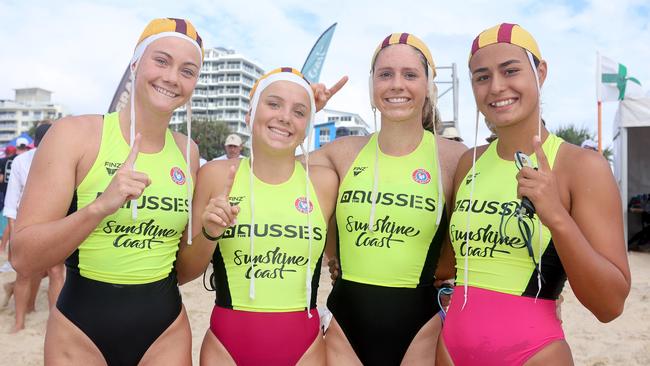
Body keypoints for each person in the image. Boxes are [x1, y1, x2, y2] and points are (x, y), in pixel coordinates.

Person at [9, 18, 204, 364]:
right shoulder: (76, 135)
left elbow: (181, 267)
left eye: (187, 70)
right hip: (81, 329)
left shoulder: (188, 152)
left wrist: (210, 231)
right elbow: (23, 257)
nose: (172, 77)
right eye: (161, 61)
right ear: (135, 64)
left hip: (165, 330)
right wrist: (100, 207)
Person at [437, 23, 631, 365]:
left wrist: (556, 215)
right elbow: (449, 265)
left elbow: (610, 305)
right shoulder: (470, 163)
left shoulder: (581, 166)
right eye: (481, 77)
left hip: (533, 352)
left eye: (510, 70)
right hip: (451, 350)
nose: (496, 87)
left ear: (540, 72)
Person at [309, 33, 466, 365]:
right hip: (345, 324)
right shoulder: (343, 153)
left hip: (420, 327)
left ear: (428, 85)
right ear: (371, 85)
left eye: (410, 74)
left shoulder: (454, 158)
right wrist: (303, 109)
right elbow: (271, 172)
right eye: (385, 74)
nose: (397, 84)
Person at [176, 67, 338, 365]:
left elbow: (342, 260)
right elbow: (183, 272)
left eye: (299, 112)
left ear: (308, 126)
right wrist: (210, 232)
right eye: (274, 104)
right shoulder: (215, 175)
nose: (285, 116)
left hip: (305, 348)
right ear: (250, 115)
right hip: (227, 346)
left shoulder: (324, 183)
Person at [4, 123, 64, 333]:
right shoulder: (21, 162)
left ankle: (55, 323)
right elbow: (11, 204)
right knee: (24, 272)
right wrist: (13, 241)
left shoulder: (64, 161)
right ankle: (19, 322)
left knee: (56, 271)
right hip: (26, 223)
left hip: (55, 222)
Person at [0, 145, 18, 254]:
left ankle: (3, 247)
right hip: (18, 193)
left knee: (9, 221)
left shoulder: (3, 161)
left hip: (5, 193)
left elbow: (1, 178)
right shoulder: (20, 159)